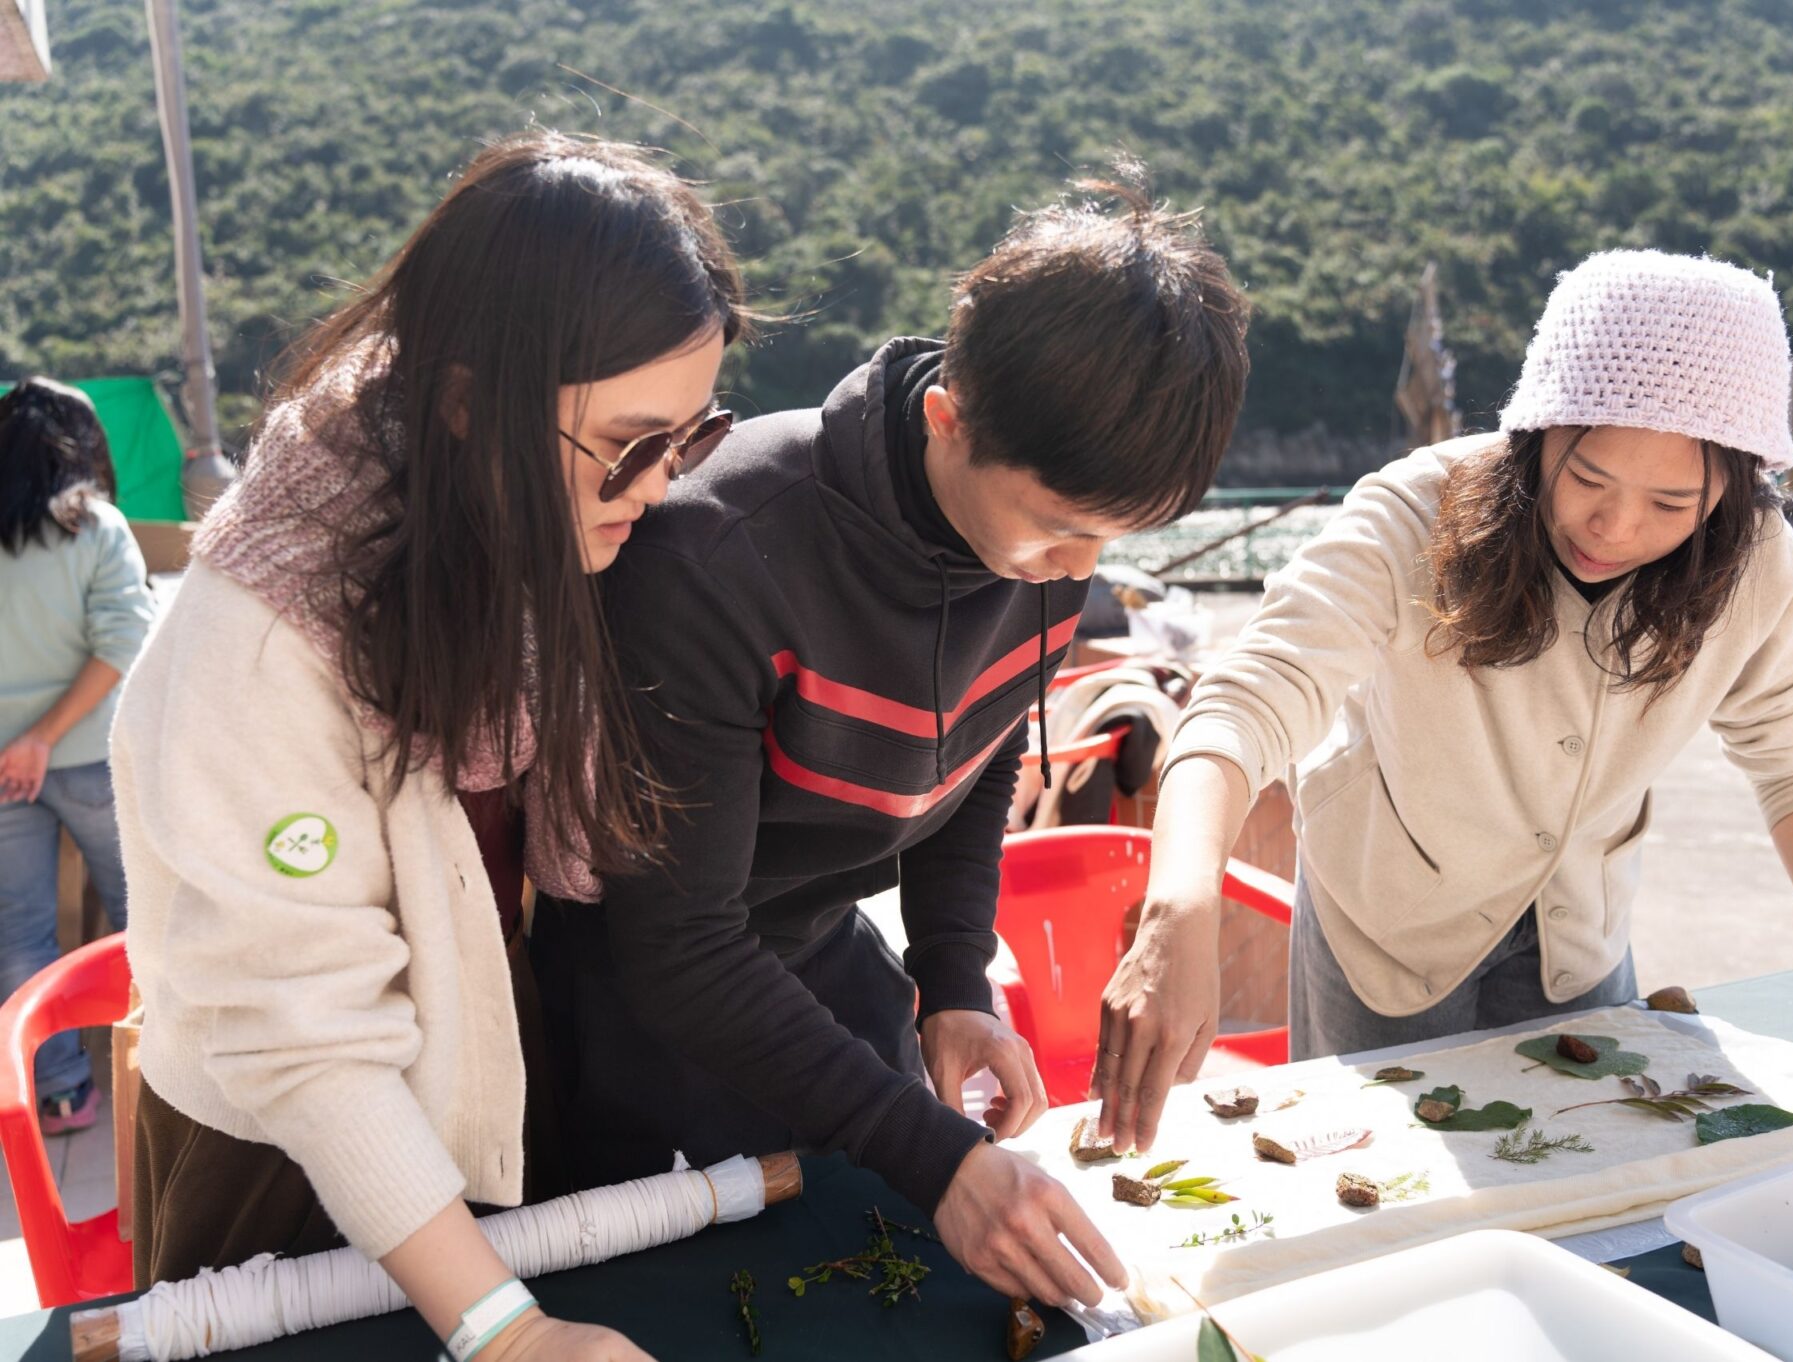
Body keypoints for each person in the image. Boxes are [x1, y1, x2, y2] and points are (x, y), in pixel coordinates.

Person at [529, 171, 1250, 1310]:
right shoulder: (713, 558)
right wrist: (937, 1158)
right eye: (1062, 531)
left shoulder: (1047, 563)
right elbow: (676, 947)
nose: (1080, 576)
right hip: (639, 1029)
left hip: (827, 978)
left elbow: (979, 758)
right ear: (946, 419)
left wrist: (953, 981)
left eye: (1112, 541)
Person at [112, 133, 749, 1362]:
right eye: (629, 445)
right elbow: (305, 1042)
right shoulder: (262, 639)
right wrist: (507, 1333)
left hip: (473, 1066)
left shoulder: (497, 523)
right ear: (467, 404)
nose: (661, 486)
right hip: (284, 1153)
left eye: (690, 438)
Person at [1094, 249, 1793, 1157]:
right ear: (1536, 433)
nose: (1615, 530)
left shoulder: (1757, 560)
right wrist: (1179, 910)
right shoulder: (1411, 513)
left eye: (1669, 502)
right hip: (1387, 913)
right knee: (1383, 1173)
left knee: (1591, 1161)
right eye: (1587, 480)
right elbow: (1248, 698)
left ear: (1732, 489)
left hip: (1581, 925)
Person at [0, 377, 153, 1133]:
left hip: (3, 770)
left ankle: (57, 1096)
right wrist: (48, 736)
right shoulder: (94, 526)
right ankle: (159, 1075)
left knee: (20, 931)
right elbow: (124, 640)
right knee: (144, 912)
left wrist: (20, 741)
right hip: (91, 758)